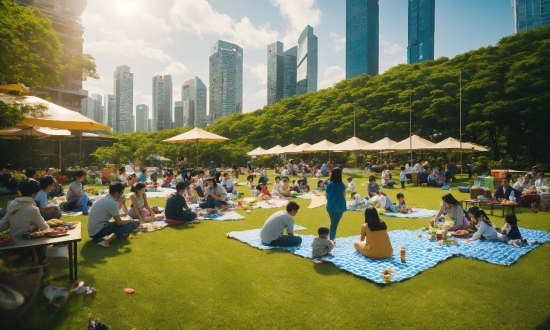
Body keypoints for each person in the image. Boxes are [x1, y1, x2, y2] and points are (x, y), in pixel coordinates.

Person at [0, 180, 50, 264]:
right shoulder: (31, 209)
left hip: (13, 241)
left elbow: (3, 225)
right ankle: (41, 262)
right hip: (26, 243)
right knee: (42, 234)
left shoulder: (12, 204)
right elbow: (45, 227)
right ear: (34, 193)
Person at [88, 183, 135, 247]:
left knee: (124, 221)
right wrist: (130, 220)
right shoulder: (112, 203)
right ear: (116, 193)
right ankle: (107, 241)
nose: (122, 195)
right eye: (121, 193)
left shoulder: (105, 197)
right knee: (129, 222)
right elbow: (119, 222)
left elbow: (113, 211)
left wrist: (122, 204)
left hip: (93, 230)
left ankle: (119, 234)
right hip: (97, 231)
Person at [325, 168, 346, 241]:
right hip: (339, 207)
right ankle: (331, 240)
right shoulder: (342, 185)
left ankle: (331, 239)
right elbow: (344, 195)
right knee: (334, 224)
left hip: (330, 206)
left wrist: (331, 201)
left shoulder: (329, 184)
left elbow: (326, 195)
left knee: (333, 223)